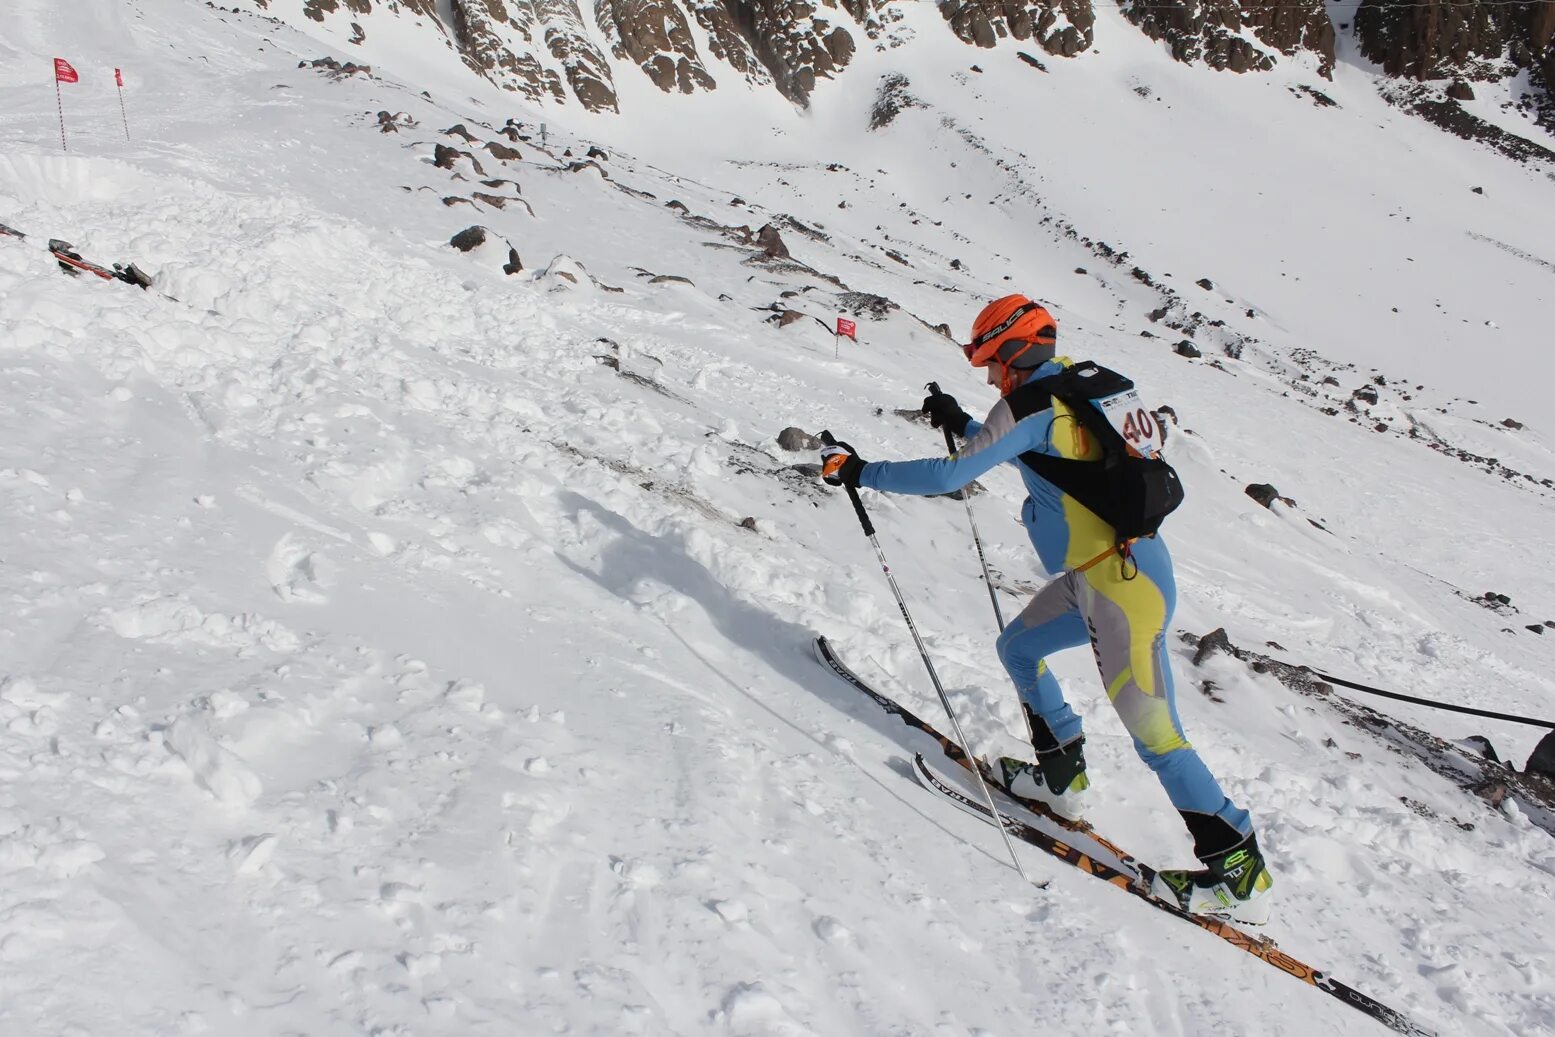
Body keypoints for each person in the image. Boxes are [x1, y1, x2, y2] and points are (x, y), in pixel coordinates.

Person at [818, 294, 1274, 924]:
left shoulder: (1032, 404)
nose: (987, 376)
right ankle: (1062, 780)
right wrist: (961, 418)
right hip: (1106, 574)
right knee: (1019, 650)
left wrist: (862, 471)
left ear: (1012, 350)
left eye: (989, 361)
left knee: (1156, 735)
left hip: (1120, 586)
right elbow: (1033, 453)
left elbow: (952, 477)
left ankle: (1237, 872)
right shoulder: (1074, 390)